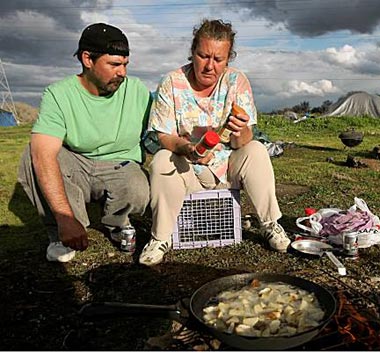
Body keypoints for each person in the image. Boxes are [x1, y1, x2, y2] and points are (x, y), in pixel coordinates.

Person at [139, 19, 290, 266]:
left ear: (228, 59)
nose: (209, 66)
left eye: (218, 59)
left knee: (256, 149)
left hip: (226, 169)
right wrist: (188, 149)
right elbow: (163, 135)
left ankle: (270, 223)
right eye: (203, 56)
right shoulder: (172, 82)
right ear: (193, 52)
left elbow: (243, 140)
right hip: (188, 171)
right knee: (162, 159)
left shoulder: (236, 81)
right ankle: (160, 237)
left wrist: (240, 130)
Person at [17, 23, 152, 262]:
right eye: (114, 65)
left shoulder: (137, 91)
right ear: (87, 59)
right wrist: (65, 218)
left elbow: (161, 133)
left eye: (125, 65)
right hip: (77, 162)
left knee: (137, 186)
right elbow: (43, 155)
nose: (122, 72)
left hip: (120, 164)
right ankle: (61, 232)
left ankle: (118, 225)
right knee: (34, 154)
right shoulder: (58, 94)